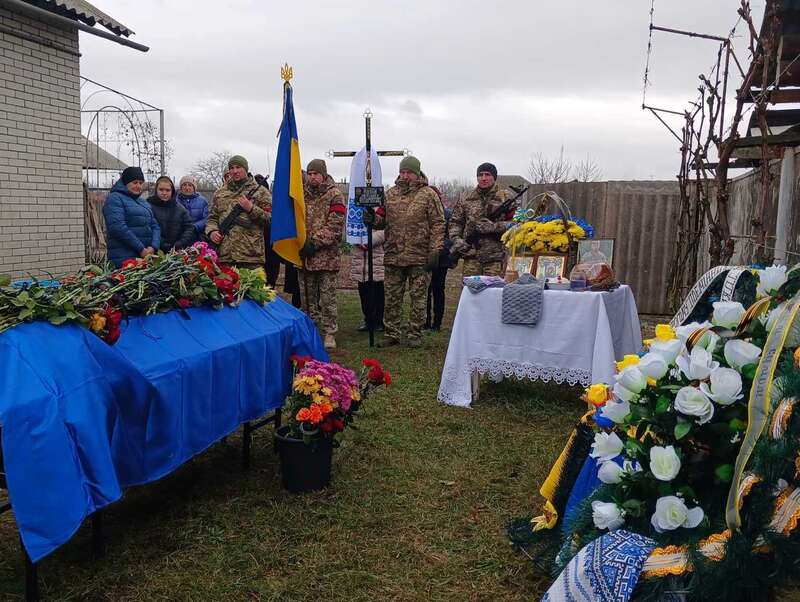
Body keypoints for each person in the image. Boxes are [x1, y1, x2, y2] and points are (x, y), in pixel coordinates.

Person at [364, 155, 445, 348]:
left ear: (417, 173)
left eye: (409, 172)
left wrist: (435, 250)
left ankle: (415, 333)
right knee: (392, 298)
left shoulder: (428, 195)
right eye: (402, 172)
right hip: (394, 255)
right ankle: (392, 333)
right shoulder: (390, 194)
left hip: (419, 257)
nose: (405, 175)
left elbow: (438, 223)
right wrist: (372, 219)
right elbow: (382, 221)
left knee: (418, 298)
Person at [298, 159, 346, 350]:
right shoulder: (301, 194)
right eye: (309, 174)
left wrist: (314, 242)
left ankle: (329, 332)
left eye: (316, 174)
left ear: (323, 175)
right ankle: (310, 329)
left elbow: (335, 225)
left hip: (327, 257)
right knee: (307, 298)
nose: (312, 177)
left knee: (327, 299)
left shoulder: (335, 195)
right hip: (305, 256)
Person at [449, 162, 516, 277]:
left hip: (496, 257)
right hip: (471, 256)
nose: (483, 178)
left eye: (487, 174)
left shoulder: (506, 197)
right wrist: (456, 240)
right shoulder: (466, 197)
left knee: (494, 288)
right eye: (480, 175)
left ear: (494, 177)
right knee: (470, 288)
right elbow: (455, 222)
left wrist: (494, 227)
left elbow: (516, 224)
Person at [205, 155, 271, 269]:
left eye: (238, 167)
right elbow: (212, 218)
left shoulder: (261, 192)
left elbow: (270, 220)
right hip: (225, 256)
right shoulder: (220, 193)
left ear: (246, 169)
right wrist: (212, 231)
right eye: (232, 168)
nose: (235, 171)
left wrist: (251, 208)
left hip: (251, 257)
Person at [103, 166, 160, 268]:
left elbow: (155, 225)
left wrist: (153, 247)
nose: (138, 186)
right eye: (135, 182)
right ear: (126, 182)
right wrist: (141, 249)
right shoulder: (115, 198)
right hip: (124, 258)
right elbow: (117, 227)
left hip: (145, 257)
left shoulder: (143, 202)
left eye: (140, 183)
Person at [350, 226, 385, 332]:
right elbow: (349, 229)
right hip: (360, 260)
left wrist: (368, 240)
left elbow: (385, 231)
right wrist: (355, 238)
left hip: (375, 259)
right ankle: (368, 321)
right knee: (364, 293)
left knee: (377, 293)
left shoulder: (380, 215)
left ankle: (378, 322)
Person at [146, 176, 195, 252]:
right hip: (154, 250)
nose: (164, 193)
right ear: (156, 190)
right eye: (161, 190)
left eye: (167, 190)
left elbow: (189, 227)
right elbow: (146, 227)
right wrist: (160, 243)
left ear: (172, 191)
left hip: (176, 251)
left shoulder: (180, 208)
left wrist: (179, 244)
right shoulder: (147, 206)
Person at [426, 190, 451, 332]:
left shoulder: (447, 214)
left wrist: (438, 249)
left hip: (441, 259)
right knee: (425, 290)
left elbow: (451, 237)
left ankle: (437, 322)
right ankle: (425, 321)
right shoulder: (423, 213)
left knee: (438, 289)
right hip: (424, 257)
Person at [176, 175, 209, 241]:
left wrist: (194, 227)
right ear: (181, 187)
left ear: (194, 188)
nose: (187, 188)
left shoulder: (203, 201)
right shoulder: (175, 201)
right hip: (178, 235)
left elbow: (206, 218)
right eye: (184, 185)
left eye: (190, 185)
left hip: (197, 235)